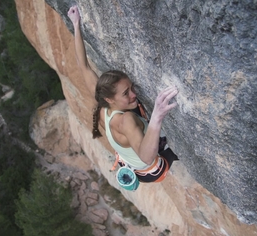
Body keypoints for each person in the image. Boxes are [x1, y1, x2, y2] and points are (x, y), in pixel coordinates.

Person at [68, 6, 179, 183]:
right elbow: (146, 158)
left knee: (137, 108)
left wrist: (76, 24)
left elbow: (84, 66)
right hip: (151, 170)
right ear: (110, 99)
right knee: (171, 141)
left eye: (131, 88)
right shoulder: (126, 120)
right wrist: (157, 116)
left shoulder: (103, 105)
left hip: (129, 160)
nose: (134, 94)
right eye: (126, 93)